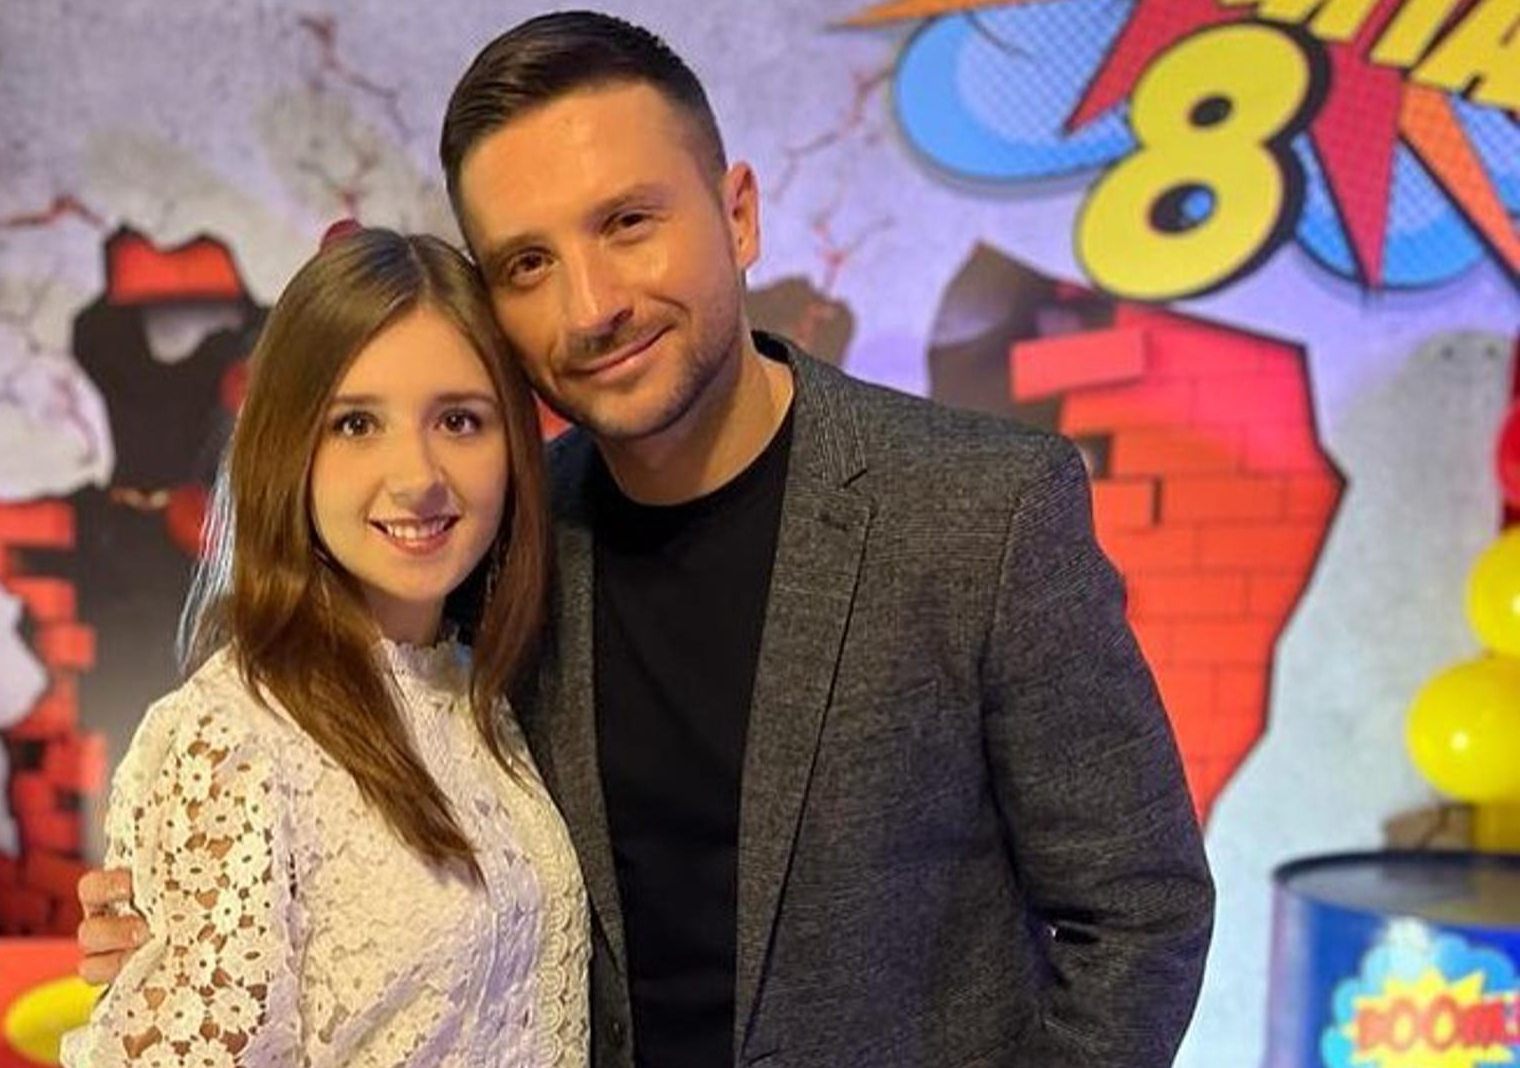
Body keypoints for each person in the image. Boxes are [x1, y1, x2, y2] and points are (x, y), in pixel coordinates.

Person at [79, 12, 1215, 1067]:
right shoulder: (499, 546)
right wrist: (183, 922)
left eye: (627, 223)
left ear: (737, 215)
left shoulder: (981, 510)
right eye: (528, 264)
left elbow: (1137, 911)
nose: (591, 306)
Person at [59, 227, 589, 1068]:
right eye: (356, 424)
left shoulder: (480, 689)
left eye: (459, 419)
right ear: (288, 448)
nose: (417, 476)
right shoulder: (231, 739)